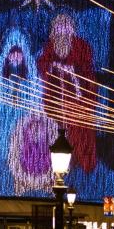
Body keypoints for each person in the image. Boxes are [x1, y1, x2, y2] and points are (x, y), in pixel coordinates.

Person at [36, 13, 97, 173]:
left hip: (77, 104)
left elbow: (88, 75)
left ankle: (80, 167)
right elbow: (42, 66)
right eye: (59, 26)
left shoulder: (81, 47)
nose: (62, 30)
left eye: (66, 26)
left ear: (72, 29)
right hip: (55, 104)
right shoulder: (49, 47)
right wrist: (53, 68)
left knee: (79, 138)